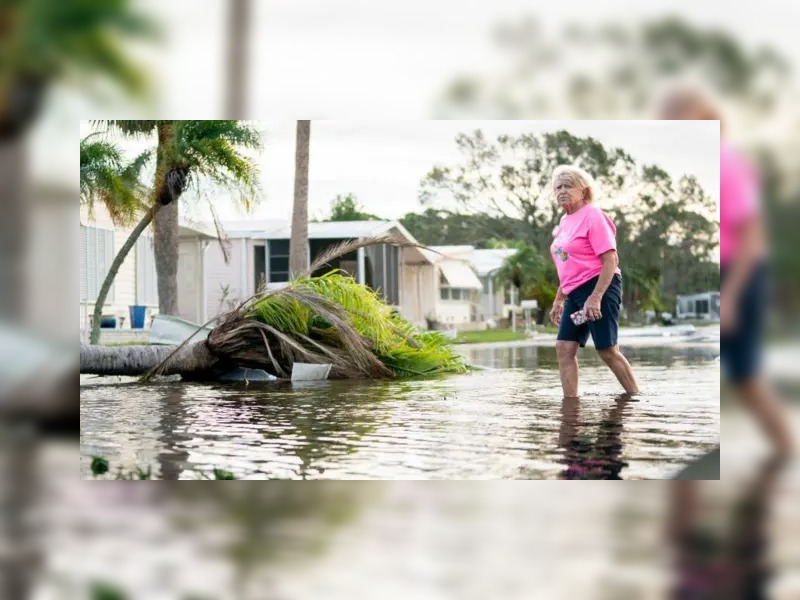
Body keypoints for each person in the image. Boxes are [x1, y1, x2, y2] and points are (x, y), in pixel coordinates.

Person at [659, 86, 794, 457]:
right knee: (739, 379)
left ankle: (786, 455)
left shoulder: (728, 165)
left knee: (747, 378)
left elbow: (753, 238)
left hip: (744, 274)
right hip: (731, 272)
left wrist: (731, 297)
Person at [548, 165, 639, 397]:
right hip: (574, 291)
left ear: (584, 190)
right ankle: (571, 405)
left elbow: (611, 259)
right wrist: (558, 300)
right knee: (564, 348)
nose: (562, 191)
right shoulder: (564, 222)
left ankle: (636, 398)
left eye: (568, 186)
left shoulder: (593, 215)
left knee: (607, 350)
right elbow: (568, 265)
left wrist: (595, 297)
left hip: (599, 286)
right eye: (558, 187)